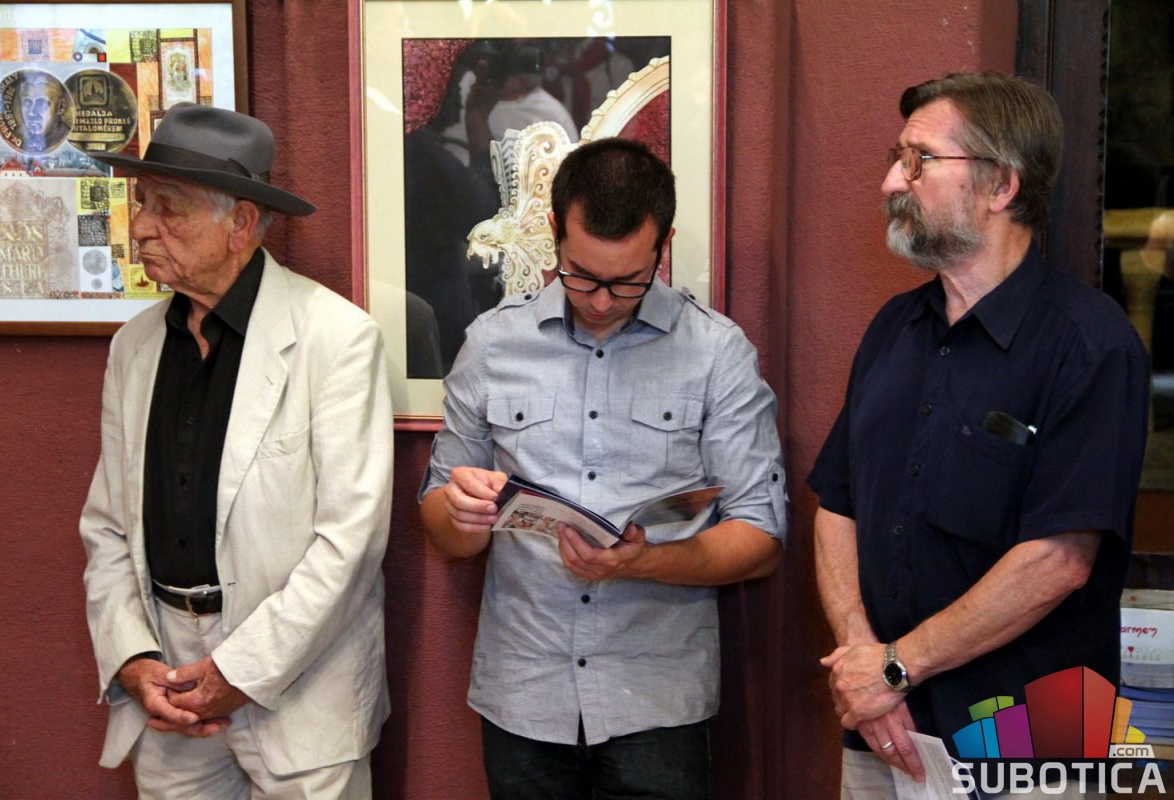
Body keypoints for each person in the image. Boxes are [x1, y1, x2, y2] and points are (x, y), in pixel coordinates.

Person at [810, 73, 1150, 798]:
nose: (890, 182)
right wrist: (864, 662)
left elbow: (1059, 561)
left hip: (1030, 743)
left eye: (919, 160)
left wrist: (895, 667)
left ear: (1000, 185)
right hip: (884, 732)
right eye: (897, 158)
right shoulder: (892, 330)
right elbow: (837, 505)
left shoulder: (1092, 346)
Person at [419, 137, 786, 799]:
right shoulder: (493, 344)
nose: (600, 301)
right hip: (523, 692)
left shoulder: (717, 354)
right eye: (581, 274)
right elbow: (441, 523)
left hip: (657, 699)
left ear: (663, 246)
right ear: (554, 232)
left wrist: (644, 562)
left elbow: (761, 538)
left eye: (627, 281)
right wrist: (460, 512)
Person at [80, 103, 393, 799]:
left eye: (169, 208)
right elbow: (107, 527)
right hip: (169, 688)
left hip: (302, 689)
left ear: (241, 225)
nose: (141, 227)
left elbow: (351, 542)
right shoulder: (134, 348)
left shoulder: (336, 339)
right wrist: (134, 657)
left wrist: (239, 672)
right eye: (142, 203)